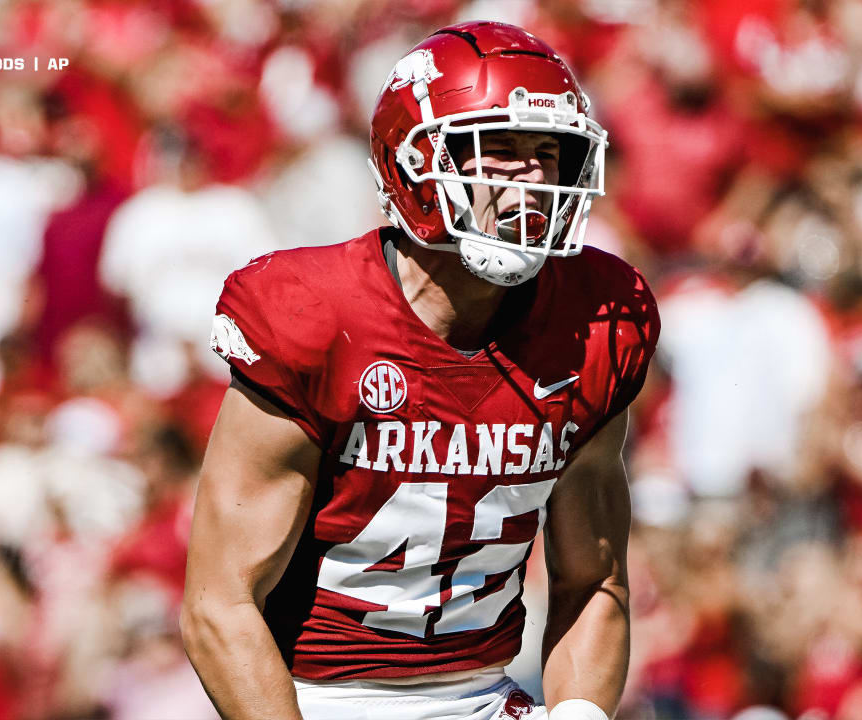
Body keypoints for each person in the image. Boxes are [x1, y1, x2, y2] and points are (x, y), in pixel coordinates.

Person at [181, 21, 659, 720]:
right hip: (309, 700)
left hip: (482, 696)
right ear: (412, 165)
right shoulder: (317, 316)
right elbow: (218, 605)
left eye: (547, 153)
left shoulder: (593, 323)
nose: (531, 178)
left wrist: (580, 713)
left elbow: (594, 579)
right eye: (497, 150)